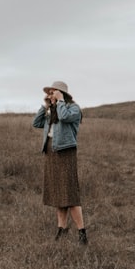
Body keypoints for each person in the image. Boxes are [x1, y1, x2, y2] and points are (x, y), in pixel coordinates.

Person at [32, 81, 86, 244]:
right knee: (57, 193)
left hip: (65, 152)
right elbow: (36, 123)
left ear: (62, 93)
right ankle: (61, 229)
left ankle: (82, 233)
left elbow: (65, 117)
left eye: (53, 92)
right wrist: (46, 106)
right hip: (51, 152)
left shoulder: (73, 109)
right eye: (50, 93)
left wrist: (60, 101)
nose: (51, 95)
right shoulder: (53, 110)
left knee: (69, 194)